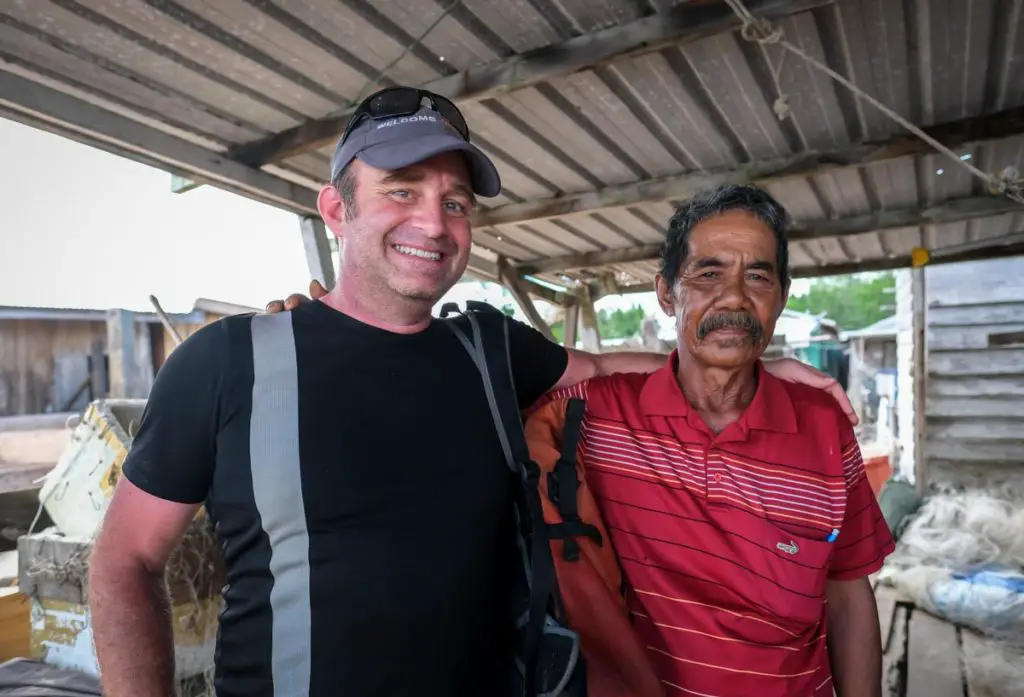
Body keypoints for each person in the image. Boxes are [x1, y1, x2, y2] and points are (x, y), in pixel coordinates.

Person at [87, 86, 854, 697]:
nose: (435, 221)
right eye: (401, 190)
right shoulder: (229, 364)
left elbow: (615, 365)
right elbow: (123, 560)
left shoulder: (490, 350)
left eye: (455, 201)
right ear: (335, 209)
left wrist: (749, 361)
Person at [524, 184, 896, 697]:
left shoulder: (824, 427)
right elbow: (480, 370)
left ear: (782, 297)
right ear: (666, 292)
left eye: (759, 276)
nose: (735, 298)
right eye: (708, 273)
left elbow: (849, 591)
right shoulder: (597, 412)